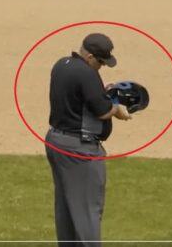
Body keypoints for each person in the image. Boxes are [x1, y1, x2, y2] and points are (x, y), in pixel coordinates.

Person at [45, 33, 131, 247]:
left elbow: (79, 98)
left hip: (56, 141)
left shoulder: (61, 65)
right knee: (87, 214)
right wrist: (118, 109)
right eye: (100, 62)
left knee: (66, 209)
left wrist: (103, 92)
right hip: (80, 149)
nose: (101, 67)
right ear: (90, 56)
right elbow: (102, 111)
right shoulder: (86, 73)